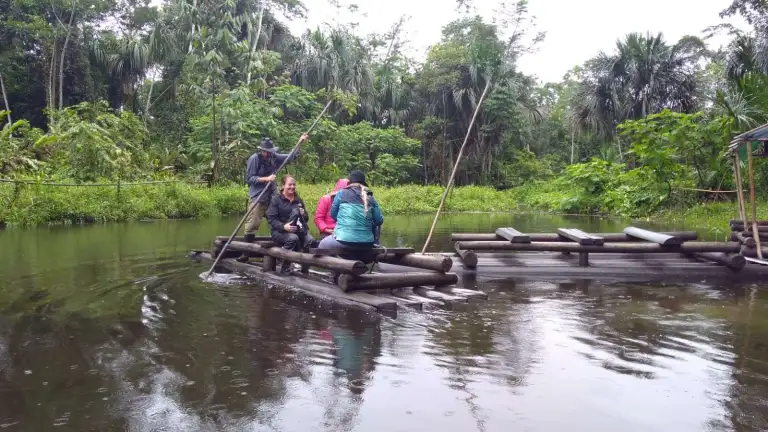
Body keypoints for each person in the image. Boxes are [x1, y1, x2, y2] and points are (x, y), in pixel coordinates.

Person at [237, 134, 307, 262]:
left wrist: (300, 143)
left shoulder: (274, 157)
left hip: (272, 195)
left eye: (270, 152)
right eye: (266, 152)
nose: (268, 154)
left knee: (277, 221)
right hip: (258, 196)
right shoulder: (254, 159)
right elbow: (250, 179)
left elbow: (290, 157)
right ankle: (245, 253)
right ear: (262, 150)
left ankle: (282, 248)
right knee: (252, 224)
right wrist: (266, 179)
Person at [318, 170, 384, 254]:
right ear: (363, 184)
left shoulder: (341, 193)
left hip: (344, 240)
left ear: (350, 183)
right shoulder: (371, 197)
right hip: (367, 243)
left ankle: (336, 263)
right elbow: (379, 220)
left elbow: (333, 215)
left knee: (322, 245)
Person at [266, 175, 316, 273]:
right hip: (279, 232)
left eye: (294, 185)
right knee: (293, 238)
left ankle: (305, 268)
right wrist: (284, 226)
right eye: (289, 185)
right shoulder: (276, 200)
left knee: (310, 240)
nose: (292, 187)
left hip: (298, 230)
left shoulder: (298, 199)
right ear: (283, 185)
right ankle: (285, 266)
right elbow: (271, 219)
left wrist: (303, 214)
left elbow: (305, 219)